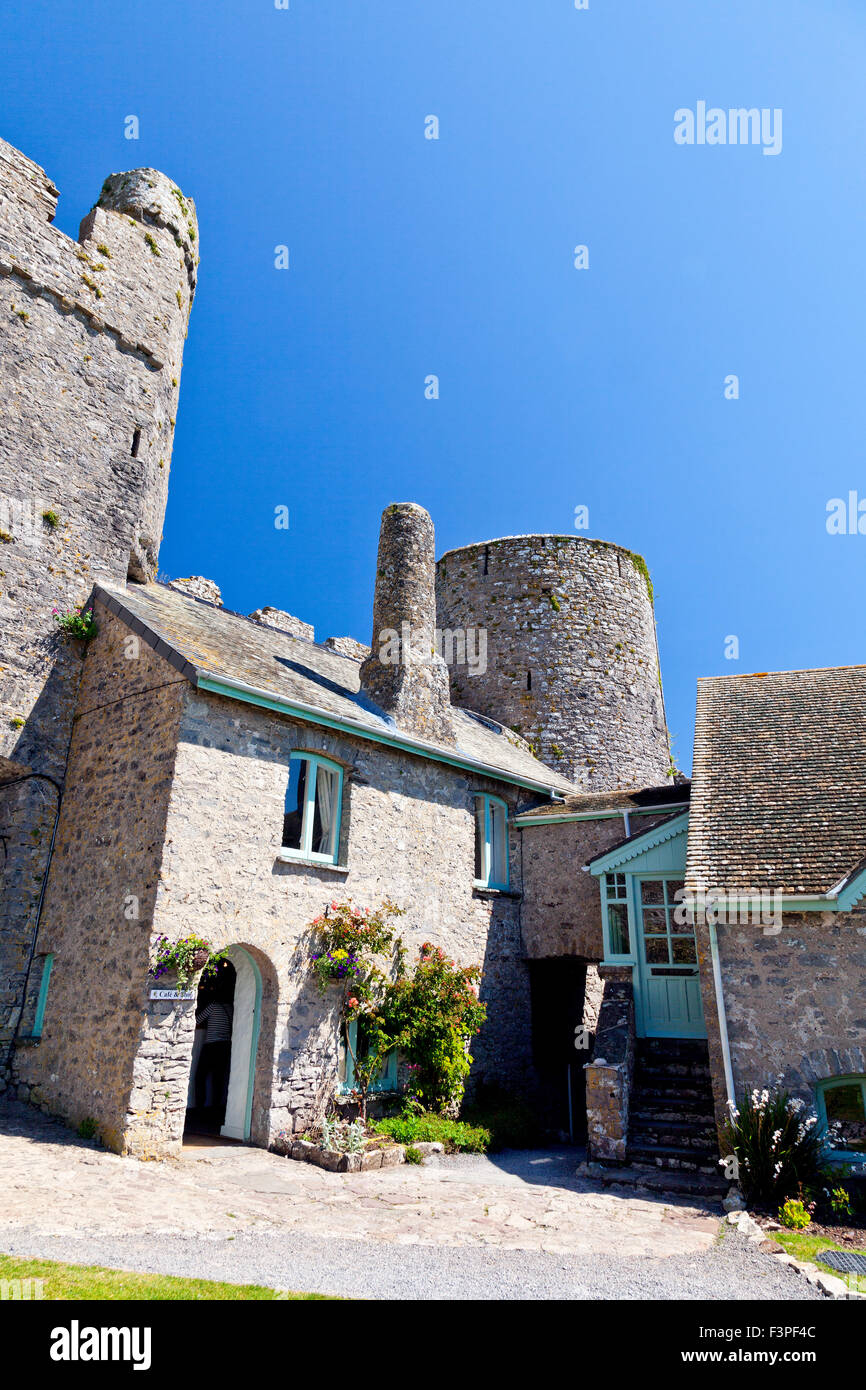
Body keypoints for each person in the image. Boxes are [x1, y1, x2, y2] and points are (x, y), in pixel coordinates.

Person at [194, 997, 233, 1114]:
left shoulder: (212, 1006)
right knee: (218, 1079)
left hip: (211, 1046)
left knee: (200, 1077)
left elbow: (197, 1020)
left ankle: (199, 1108)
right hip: (225, 1046)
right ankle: (215, 1108)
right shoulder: (230, 1008)